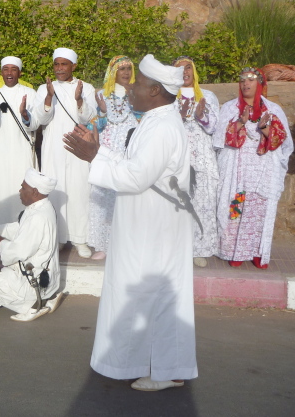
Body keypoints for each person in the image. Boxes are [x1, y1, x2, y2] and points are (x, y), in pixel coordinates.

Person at [64, 54, 197, 391]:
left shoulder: (163, 127)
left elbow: (136, 177)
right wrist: (100, 152)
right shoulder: (154, 120)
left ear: (154, 91)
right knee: (149, 296)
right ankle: (155, 365)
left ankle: (167, 371)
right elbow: (131, 163)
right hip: (145, 221)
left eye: (138, 83)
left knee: (155, 296)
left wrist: (94, 157)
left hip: (155, 226)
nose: (131, 87)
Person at [213, 67, 293, 269]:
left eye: (250, 80)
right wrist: (240, 122)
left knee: (258, 211)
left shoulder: (273, 110)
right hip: (237, 172)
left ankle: (258, 253)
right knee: (235, 210)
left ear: (260, 83)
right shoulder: (230, 108)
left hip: (262, 172)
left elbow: (283, 141)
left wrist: (265, 129)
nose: (245, 84)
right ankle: (234, 252)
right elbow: (219, 139)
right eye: (242, 80)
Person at [0, 168, 63, 322]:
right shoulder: (43, 207)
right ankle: (48, 298)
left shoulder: (38, 216)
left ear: (35, 192)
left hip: (35, 277)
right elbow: (21, 228)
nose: (20, 191)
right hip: (43, 272)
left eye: (23, 188)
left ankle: (35, 306)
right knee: (0, 276)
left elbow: (21, 250)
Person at [33, 48, 96, 258]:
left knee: (80, 189)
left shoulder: (86, 88)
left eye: (64, 64)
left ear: (73, 66)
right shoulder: (44, 88)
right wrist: (49, 97)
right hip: (53, 147)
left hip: (79, 146)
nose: (59, 68)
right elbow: (40, 120)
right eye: (56, 64)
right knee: (55, 190)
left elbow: (89, 118)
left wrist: (79, 100)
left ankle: (80, 239)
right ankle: (57, 238)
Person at [87, 56, 138, 261]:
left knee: (128, 198)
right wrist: (102, 112)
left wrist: (134, 101)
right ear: (113, 72)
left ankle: (126, 246)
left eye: (128, 68)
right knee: (104, 197)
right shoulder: (101, 95)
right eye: (121, 69)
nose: (125, 72)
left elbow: (144, 120)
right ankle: (103, 245)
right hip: (107, 152)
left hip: (129, 151)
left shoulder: (138, 94)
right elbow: (94, 126)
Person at [172, 56, 221, 267]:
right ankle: (177, 248)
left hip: (202, 156)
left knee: (202, 201)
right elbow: (163, 126)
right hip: (178, 155)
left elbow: (215, 127)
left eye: (188, 67)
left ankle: (199, 249)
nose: (185, 72)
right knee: (177, 201)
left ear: (194, 71)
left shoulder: (207, 96)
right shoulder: (168, 96)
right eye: (180, 68)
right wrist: (180, 116)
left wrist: (201, 116)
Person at [0, 56, 38, 227]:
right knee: (2, 189)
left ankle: (25, 229)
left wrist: (25, 115)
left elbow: (35, 124)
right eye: (5, 69)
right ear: (1, 72)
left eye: (13, 69)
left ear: (20, 73)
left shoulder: (31, 94)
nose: (9, 73)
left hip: (22, 151)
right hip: (1, 153)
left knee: (24, 187)